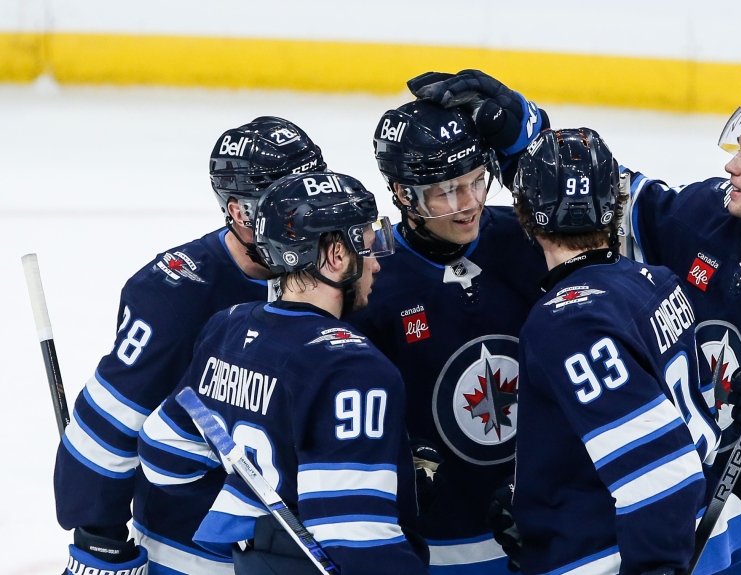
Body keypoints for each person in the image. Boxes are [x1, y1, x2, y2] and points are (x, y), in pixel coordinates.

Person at [417, 73, 741, 575]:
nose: (732, 165)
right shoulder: (709, 215)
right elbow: (596, 199)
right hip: (717, 527)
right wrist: (519, 132)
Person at [54, 117, 326, 575]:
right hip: (191, 553)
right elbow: (113, 418)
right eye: (285, 204)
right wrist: (97, 535)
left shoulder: (336, 269)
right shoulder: (177, 294)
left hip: (306, 549)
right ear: (239, 211)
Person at [136, 170, 429, 575]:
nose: (376, 262)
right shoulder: (353, 367)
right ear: (336, 255)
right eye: (365, 242)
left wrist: (255, 519)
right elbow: (358, 540)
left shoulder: (228, 327)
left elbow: (163, 454)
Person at [509, 127, 741, 575]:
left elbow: (659, 473)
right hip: (698, 531)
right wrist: (540, 498)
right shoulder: (658, 281)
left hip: (613, 552)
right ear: (615, 205)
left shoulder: (566, 321)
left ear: (525, 213)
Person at [341, 86, 549, 573]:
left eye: (476, 181)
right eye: (445, 191)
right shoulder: (371, 280)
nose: (467, 204)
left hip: (543, 518)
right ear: (400, 194)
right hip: (436, 541)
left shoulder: (526, 240)